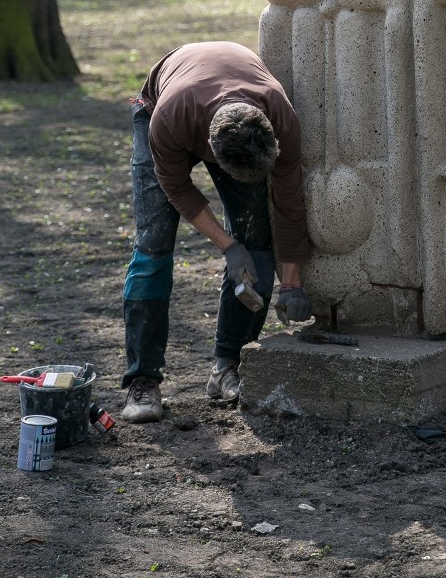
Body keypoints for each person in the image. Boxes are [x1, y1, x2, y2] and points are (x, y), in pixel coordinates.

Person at [121, 40, 313, 422]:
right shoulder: (171, 119)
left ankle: (227, 366)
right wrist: (227, 247)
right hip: (161, 106)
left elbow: (289, 205)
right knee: (153, 247)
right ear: (210, 149)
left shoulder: (280, 119)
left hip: (228, 108)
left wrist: (291, 283)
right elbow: (177, 189)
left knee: (256, 239)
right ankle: (143, 381)